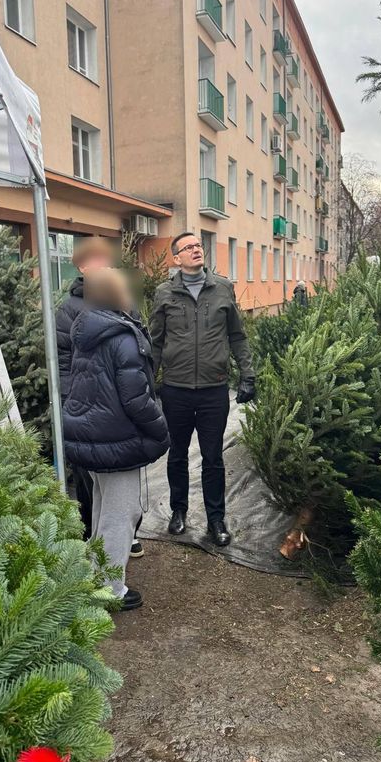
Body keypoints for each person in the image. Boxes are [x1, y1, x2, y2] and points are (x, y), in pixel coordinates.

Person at [63, 268, 169, 611]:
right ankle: (109, 590)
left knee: (102, 511)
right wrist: (160, 430)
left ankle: (95, 575)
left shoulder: (88, 329)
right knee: (120, 515)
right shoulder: (122, 336)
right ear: (115, 293)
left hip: (91, 437)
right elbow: (136, 399)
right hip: (115, 440)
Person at [149, 232, 255, 547]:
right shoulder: (164, 293)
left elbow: (237, 335)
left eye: (199, 245)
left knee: (212, 458)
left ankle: (215, 519)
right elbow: (156, 341)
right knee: (177, 454)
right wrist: (147, 381)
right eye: (189, 247)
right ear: (176, 258)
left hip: (213, 389)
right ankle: (178, 511)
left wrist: (248, 373)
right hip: (176, 390)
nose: (196, 250)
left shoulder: (222, 288)